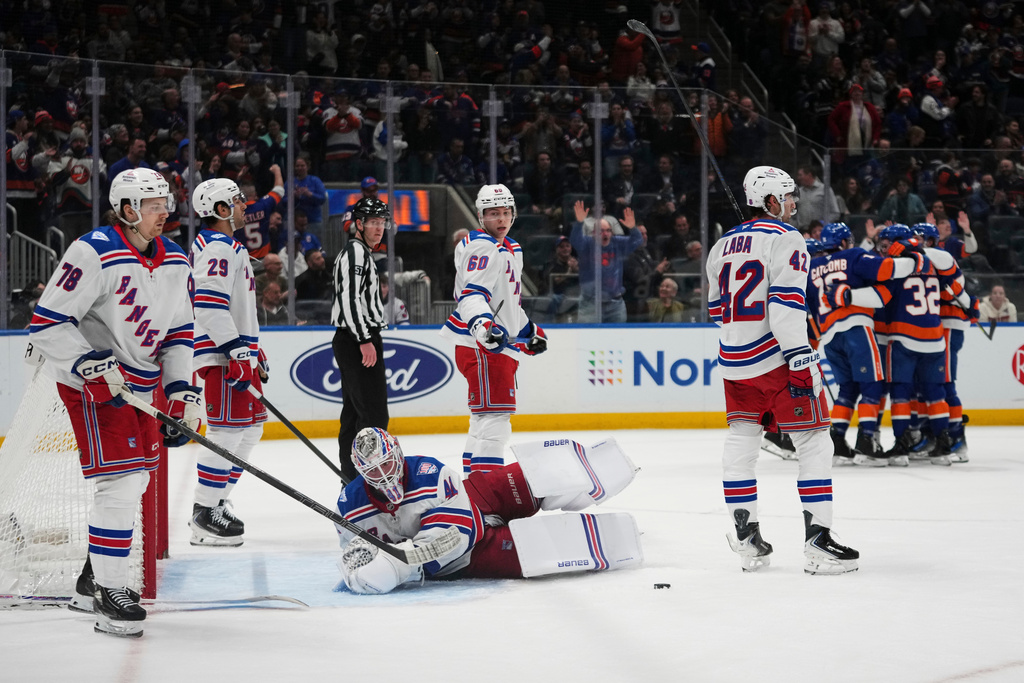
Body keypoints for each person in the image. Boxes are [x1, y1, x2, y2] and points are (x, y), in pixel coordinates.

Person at [28, 168, 200, 637]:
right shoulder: (92, 251)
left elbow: (181, 332)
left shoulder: (177, 260)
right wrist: (90, 362)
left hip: (141, 388)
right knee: (121, 484)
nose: (164, 212)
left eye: (165, 203)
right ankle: (109, 592)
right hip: (94, 386)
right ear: (126, 209)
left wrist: (181, 388)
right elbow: (47, 323)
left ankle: (89, 585)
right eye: (152, 206)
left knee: (137, 479)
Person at [706, 165, 859, 575]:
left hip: (734, 362)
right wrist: (799, 359)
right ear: (771, 201)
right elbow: (786, 305)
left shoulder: (720, 245)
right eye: (788, 196)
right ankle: (819, 540)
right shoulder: (787, 237)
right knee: (813, 442)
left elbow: (717, 310)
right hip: (777, 359)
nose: (793, 203)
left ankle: (746, 539)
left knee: (741, 444)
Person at [334, 428, 642, 594]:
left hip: (477, 498)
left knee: (546, 473)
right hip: (469, 560)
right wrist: (364, 570)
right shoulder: (349, 507)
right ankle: (618, 539)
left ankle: (612, 467)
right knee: (552, 549)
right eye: (373, 470)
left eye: (386, 463)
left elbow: (454, 535)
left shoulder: (430, 473)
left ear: (397, 453)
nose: (383, 474)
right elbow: (356, 555)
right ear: (361, 472)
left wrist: (400, 563)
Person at [440, 184, 548, 476]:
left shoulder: (510, 247)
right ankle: (485, 497)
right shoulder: (482, 246)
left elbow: (509, 302)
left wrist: (528, 333)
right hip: (484, 346)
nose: (500, 219)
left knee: (483, 421)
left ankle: (472, 490)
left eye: (505, 212)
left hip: (494, 345)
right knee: (496, 422)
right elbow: (472, 296)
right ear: (480, 216)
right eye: (493, 214)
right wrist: (483, 326)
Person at [189, 178, 269, 546]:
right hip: (222, 357)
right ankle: (203, 514)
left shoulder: (227, 246)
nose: (243, 207)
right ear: (221, 210)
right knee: (227, 431)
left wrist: (253, 348)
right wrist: (237, 350)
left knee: (250, 429)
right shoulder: (219, 247)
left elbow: (236, 308)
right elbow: (208, 305)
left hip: (236, 353)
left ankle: (218, 500)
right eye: (237, 201)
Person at [805, 222, 921, 464]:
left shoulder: (812, 267)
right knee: (873, 386)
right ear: (845, 242)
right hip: (855, 328)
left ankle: (837, 443)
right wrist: (913, 256)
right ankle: (866, 441)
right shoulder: (853, 255)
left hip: (829, 336)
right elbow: (888, 269)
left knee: (847, 389)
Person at [331, 197, 391, 482]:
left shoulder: (362, 253)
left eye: (382, 222)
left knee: (356, 413)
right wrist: (364, 338)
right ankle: (369, 480)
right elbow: (349, 299)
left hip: (356, 337)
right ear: (358, 224)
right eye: (373, 222)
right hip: (357, 338)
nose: (379, 228)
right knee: (373, 415)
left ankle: (353, 477)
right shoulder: (355, 252)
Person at [569, 201, 645, 323]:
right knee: (588, 338)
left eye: (608, 230)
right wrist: (579, 223)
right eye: (601, 231)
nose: (605, 234)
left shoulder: (617, 242)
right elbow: (575, 240)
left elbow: (636, 241)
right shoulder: (587, 244)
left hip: (615, 303)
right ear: (593, 233)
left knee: (617, 339)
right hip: (590, 303)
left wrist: (632, 228)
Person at [236, 165, 284, 259]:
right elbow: (279, 190)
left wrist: (238, 179)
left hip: (243, 261)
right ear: (255, 194)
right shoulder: (263, 205)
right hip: (263, 258)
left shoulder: (233, 212)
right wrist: (277, 171)